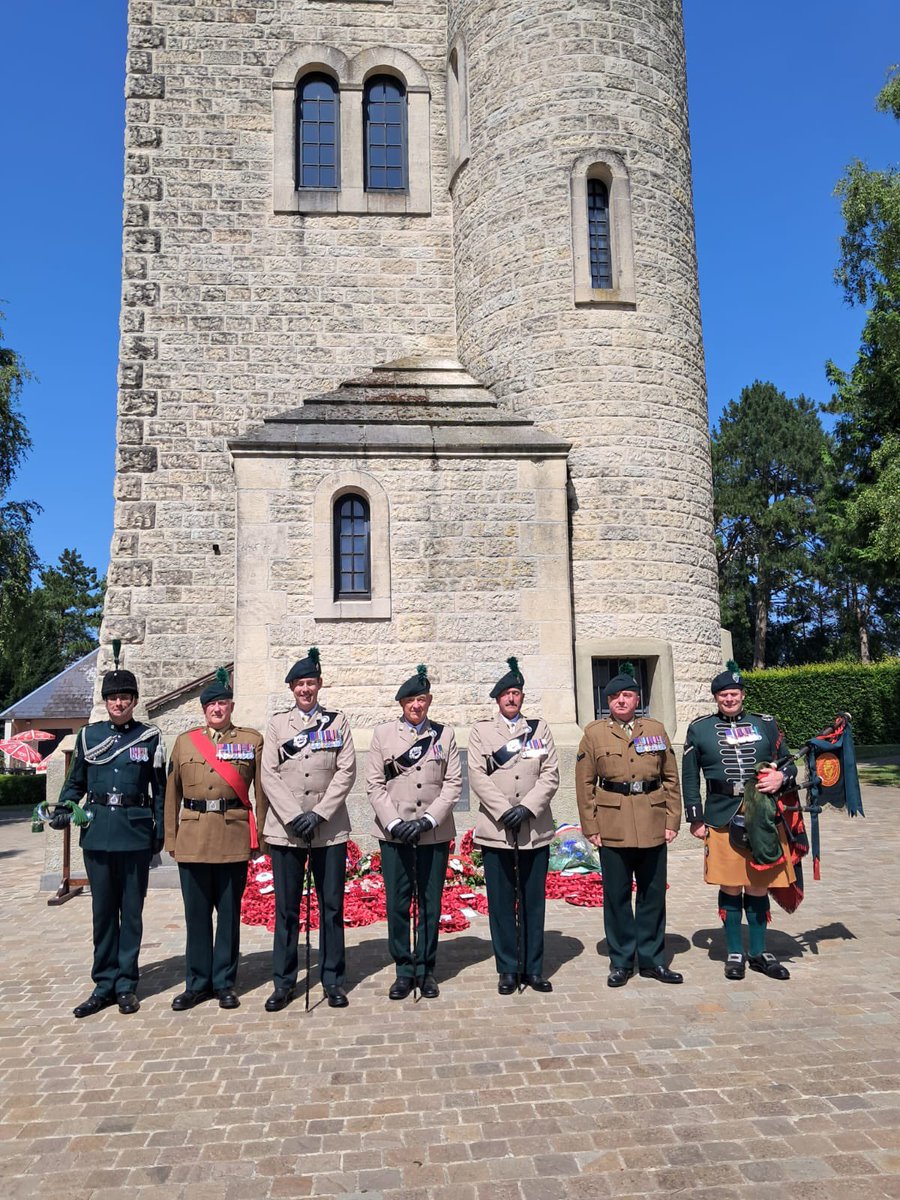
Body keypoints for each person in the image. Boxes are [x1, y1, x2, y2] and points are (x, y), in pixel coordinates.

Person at [58, 644, 166, 1017]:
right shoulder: (89, 737)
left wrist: (160, 831)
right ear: (105, 702)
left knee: (131, 913)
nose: (118, 703)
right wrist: (62, 809)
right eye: (113, 698)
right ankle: (103, 984)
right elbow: (76, 783)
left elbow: (159, 788)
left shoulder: (149, 737)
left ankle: (126, 985)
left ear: (134, 701)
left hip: (135, 834)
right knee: (103, 913)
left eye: (124, 697)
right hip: (99, 832)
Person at [682, 660, 796, 981]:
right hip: (721, 814)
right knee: (731, 885)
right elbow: (690, 776)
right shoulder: (699, 728)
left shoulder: (766, 725)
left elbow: (787, 763)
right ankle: (734, 951)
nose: (729, 699)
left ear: (742, 695)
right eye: (723, 695)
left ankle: (758, 952)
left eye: (734, 693)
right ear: (716, 698)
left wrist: (780, 778)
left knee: (758, 885)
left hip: (762, 814)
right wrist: (695, 817)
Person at [575, 664, 682, 987]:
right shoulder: (594, 734)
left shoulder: (655, 729)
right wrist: (591, 826)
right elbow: (585, 784)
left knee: (652, 895)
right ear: (608, 701)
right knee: (617, 896)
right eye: (615, 697)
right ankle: (621, 960)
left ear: (637, 699)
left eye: (627, 695)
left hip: (652, 820)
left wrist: (673, 820)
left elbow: (670, 777)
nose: (621, 701)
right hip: (612, 824)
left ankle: (652, 960)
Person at [261, 648, 356, 1010]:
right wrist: (292, 815)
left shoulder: (337, 722)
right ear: (292, 689)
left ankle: (333, 979)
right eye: (300, 684)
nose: (306, 689)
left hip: (328, 828)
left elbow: (346, 770)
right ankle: (284, 982)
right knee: (286, 909)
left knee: (331, 906)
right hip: (286, 830)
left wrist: (318, 814)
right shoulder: (277, 725)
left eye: (311, 683)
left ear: (319, 685)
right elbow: (268, 772)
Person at [164, 668, 264, 1010]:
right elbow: (171, 795)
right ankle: (197, 983)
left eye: (222, 703)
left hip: (232, 835)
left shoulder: (251, 741)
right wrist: (171, 838)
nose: (217, 709)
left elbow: (261, 794)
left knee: (228, 916)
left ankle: (224, 982)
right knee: (196, 916)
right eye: (211, 704)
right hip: (192, 838)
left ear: (231, 706)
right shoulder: (184, 742)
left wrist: (259, 837)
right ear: (203, 709)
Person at [365, 664, 461, 999]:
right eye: (410, 701)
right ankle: (404, 969)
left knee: (431, 903)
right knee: (397, 903)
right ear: (401, 704)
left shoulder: (444, 735)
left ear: (429, 701)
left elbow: (452, 784)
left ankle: (426, 968)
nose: (416, 706)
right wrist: (394, 823)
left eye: (421, 699)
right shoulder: (383, 735)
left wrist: (429, 819)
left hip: (433, 833)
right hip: (395, 835)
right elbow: (375, 785)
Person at [468, 657, 559, 994]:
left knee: (534, 901)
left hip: (534, 829)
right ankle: (507, 967)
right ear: (497, 699)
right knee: (502, 901)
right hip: (497, 828)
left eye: (516, 693)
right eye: (506, 693)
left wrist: (529, 808)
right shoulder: (482, 731)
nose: (511, 698)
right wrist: (506, 810)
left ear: (522, 697)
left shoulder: (540, 729)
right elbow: (477, 775)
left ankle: (533, 968)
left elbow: (550, 774)